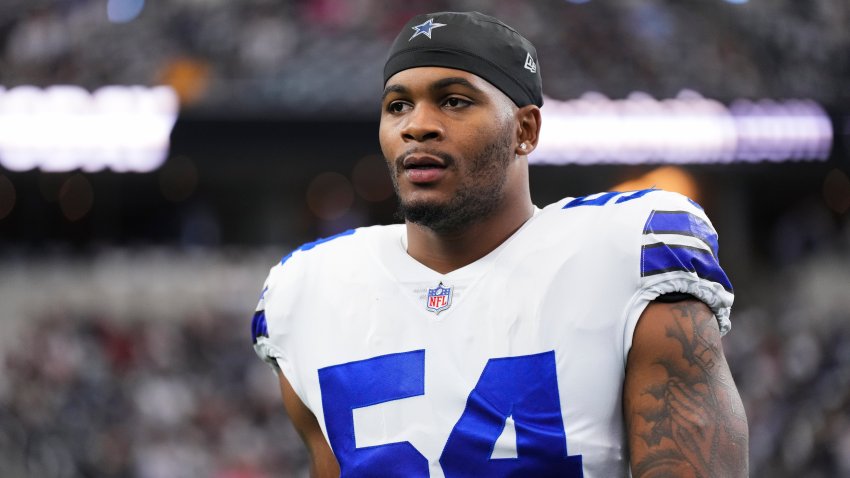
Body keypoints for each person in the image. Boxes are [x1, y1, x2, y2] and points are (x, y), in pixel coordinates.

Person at [251, 11, 748, 477]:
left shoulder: (626, 255)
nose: (415, 125)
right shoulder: (309, 291)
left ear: (525, 130)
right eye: (397, 105)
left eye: (454, 100)